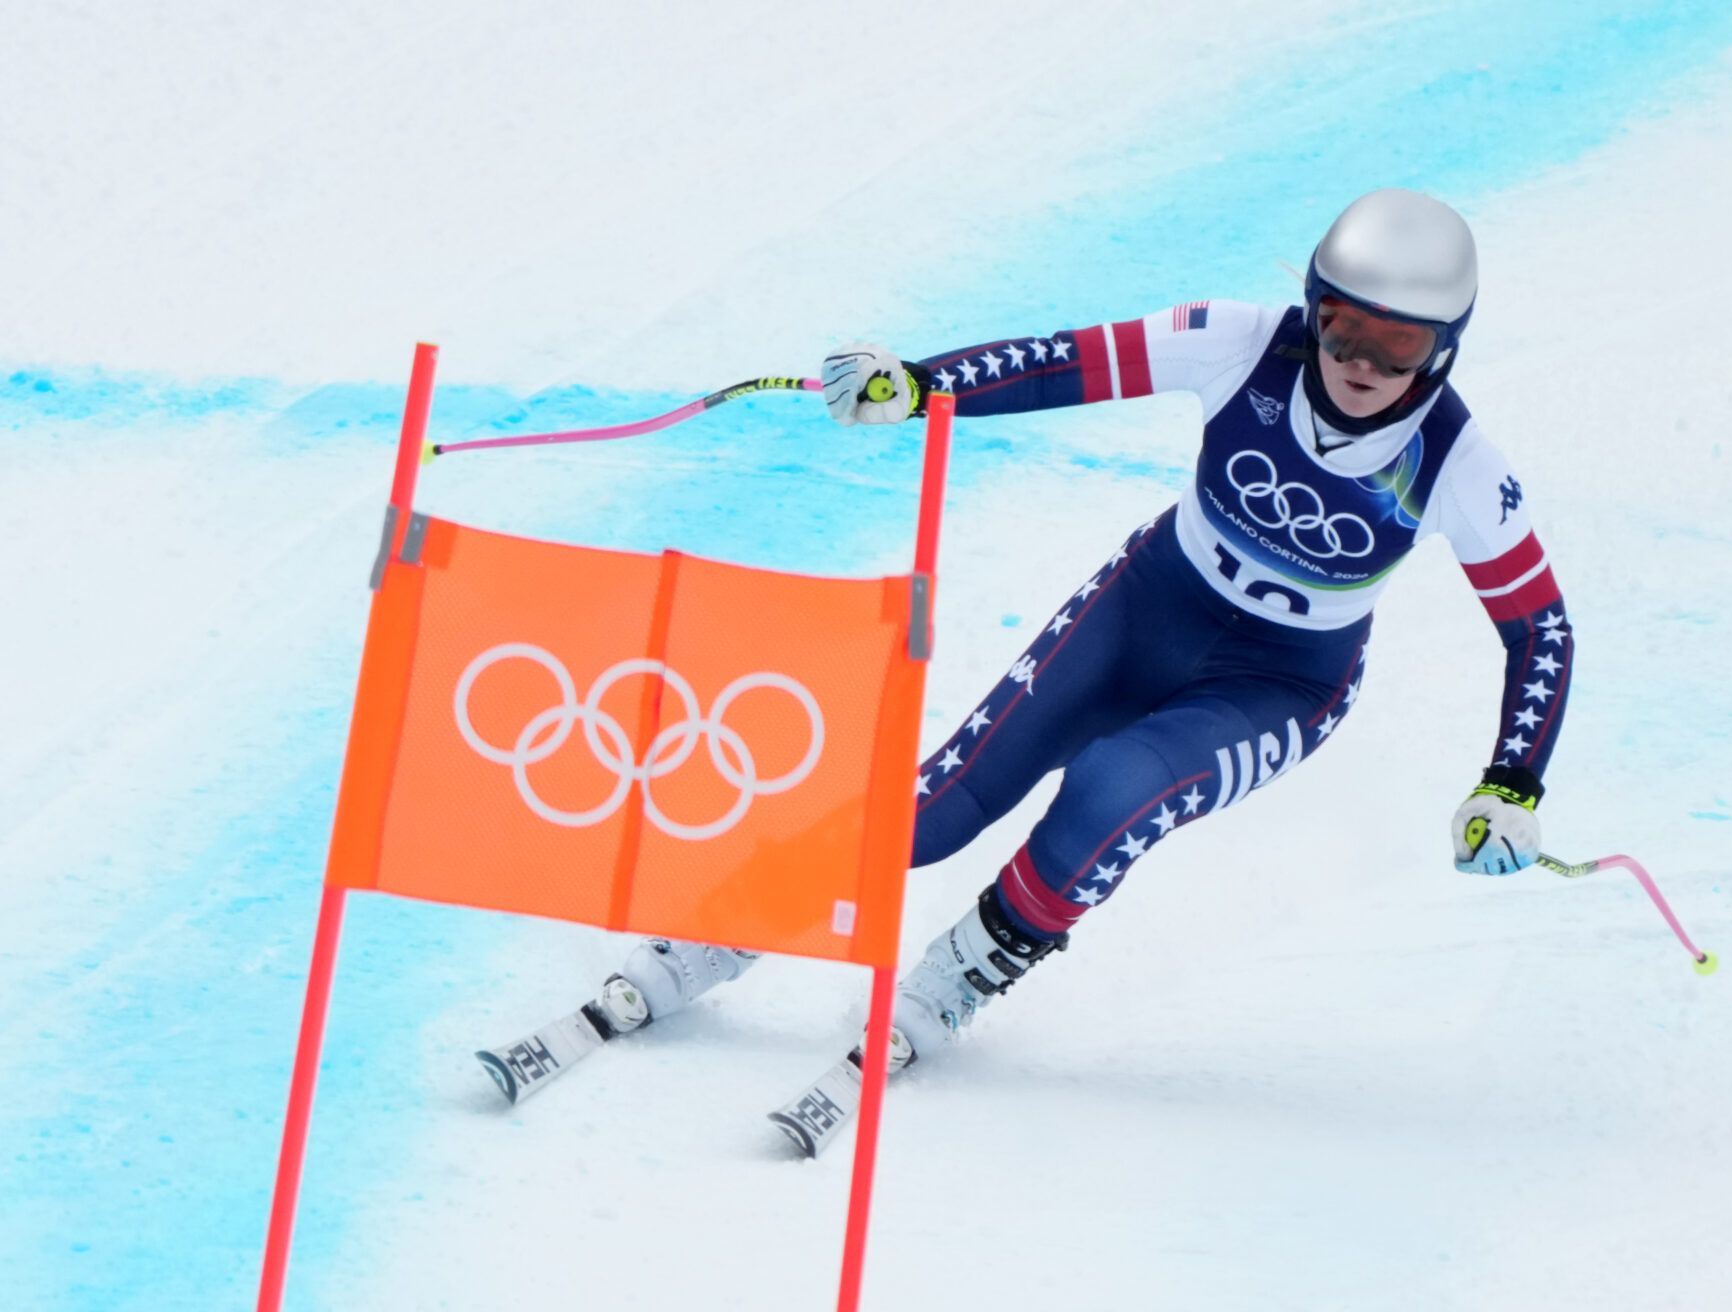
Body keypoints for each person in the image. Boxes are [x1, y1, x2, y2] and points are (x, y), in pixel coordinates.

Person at [594, 187, 1573, 1069]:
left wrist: (1511, 781)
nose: (1359, 362)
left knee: (1112, 787)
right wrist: (923, 384)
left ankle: (956, 980)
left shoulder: (1458, 464)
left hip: (1280, 681)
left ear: (1443, 346)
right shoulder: (1243, 342)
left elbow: (1540, 628)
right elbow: (1066, 363)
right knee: (933, 813)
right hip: (1151, 605)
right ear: (1312, 304)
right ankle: (722, 927)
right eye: (1342, 326)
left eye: (1396, 345)